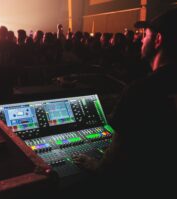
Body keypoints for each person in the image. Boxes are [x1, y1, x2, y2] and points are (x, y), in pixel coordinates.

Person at [73, 8, 177, 197]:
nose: (140, 40)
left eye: (145, 35)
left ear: (158, 40)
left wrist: (94, 164)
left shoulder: (141, 90)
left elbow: (111, 164)